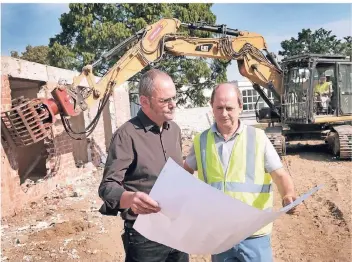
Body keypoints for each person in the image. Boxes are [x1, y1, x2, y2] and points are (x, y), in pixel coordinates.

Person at [184, 82, 300, 262]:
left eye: (229, 108)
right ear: (212, 107)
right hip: (220, 234)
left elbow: (280, 175)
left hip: (253, 234)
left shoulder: (258, 138)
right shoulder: (201, 141)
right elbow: (184, 174)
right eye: (219, 107)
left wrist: (289, 195)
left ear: (240, 107)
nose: (224, 113)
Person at [98, 69, 189, 262]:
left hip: (177, 229)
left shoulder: (175, 130)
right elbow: (107, 187)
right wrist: (129, 198)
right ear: (144, 101)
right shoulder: (126, 135)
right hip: (145, 237)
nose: (173, 105)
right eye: (165, 100)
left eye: (174, 97)